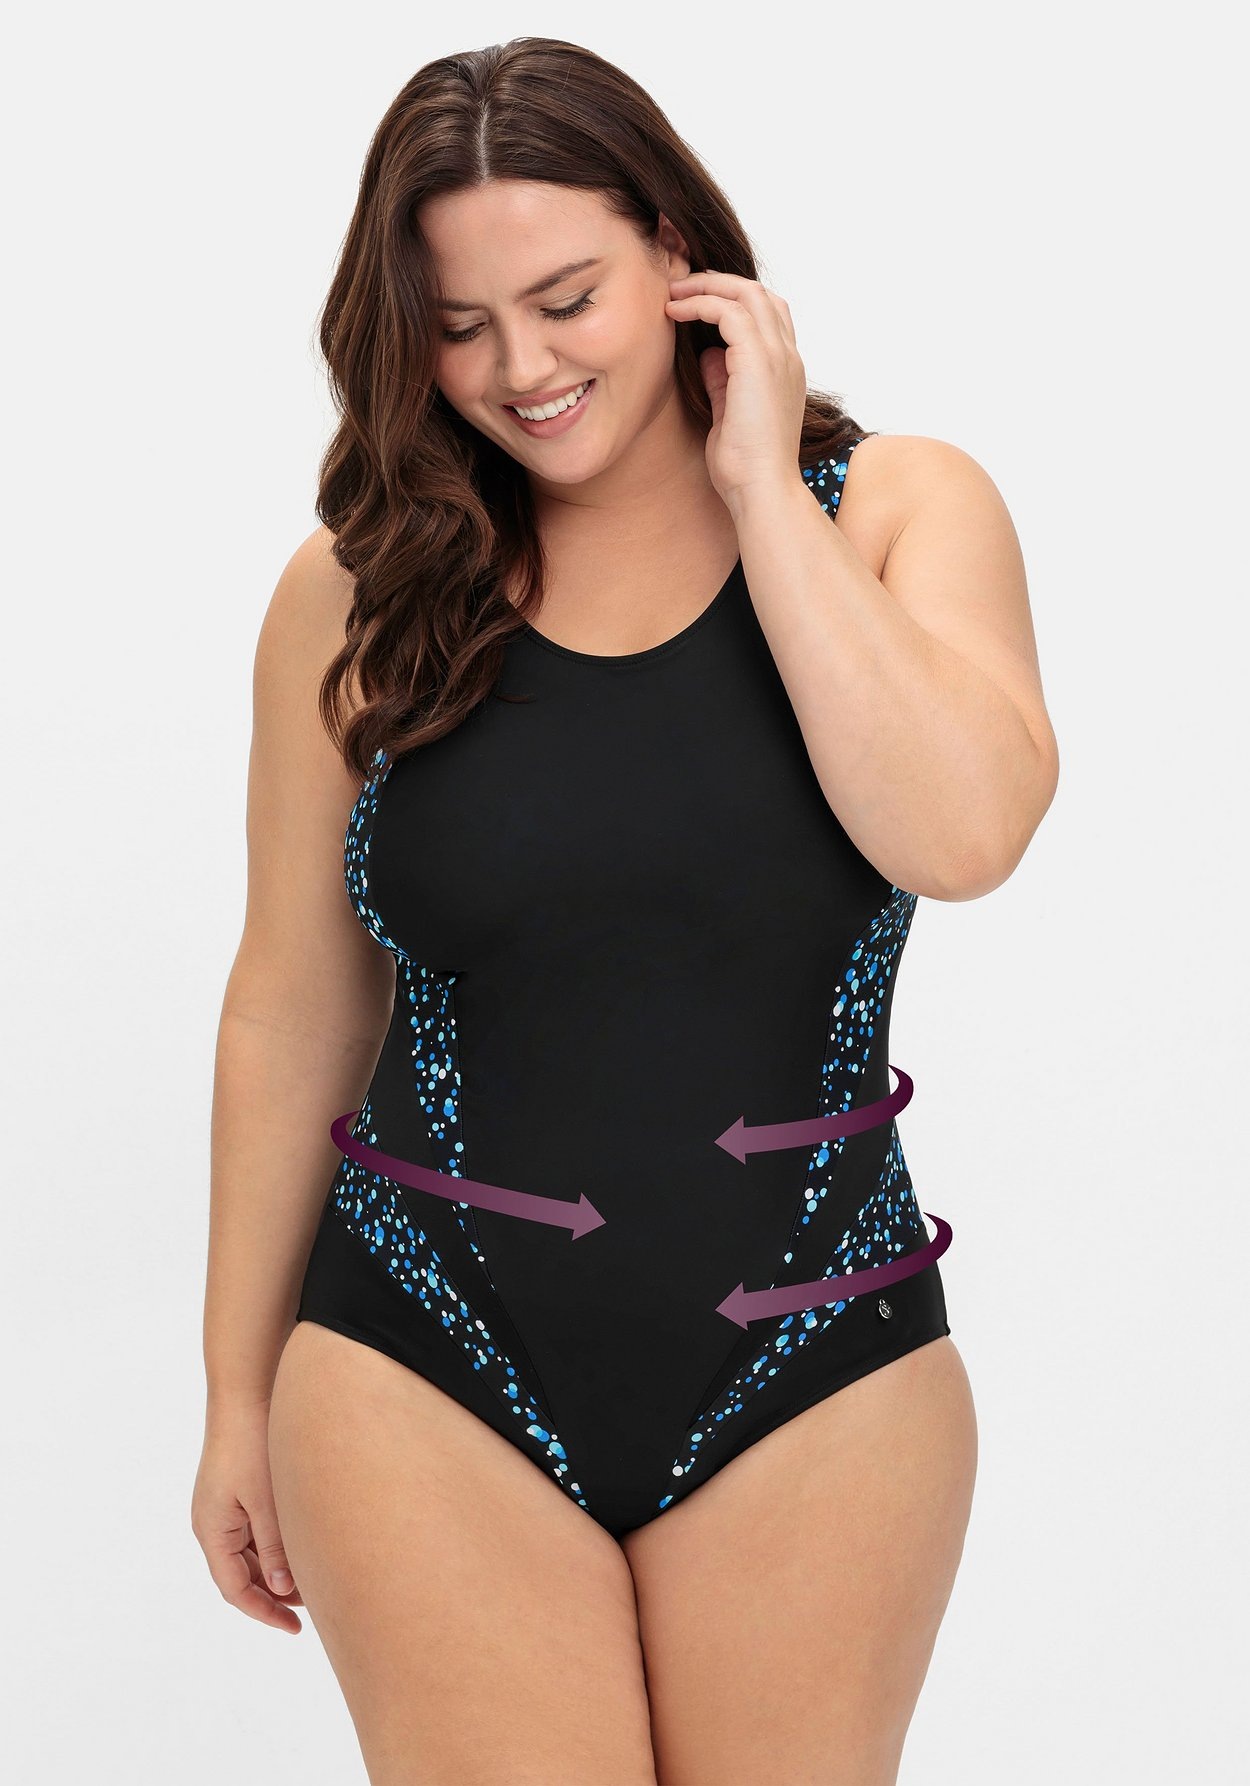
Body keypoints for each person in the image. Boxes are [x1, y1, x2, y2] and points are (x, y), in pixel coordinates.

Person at [192, 36, 1057, 1786]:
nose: (520, 368)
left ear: (676, 251)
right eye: (457, 325)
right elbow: (292, 1006)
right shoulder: (355, 595)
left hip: (816, 1360)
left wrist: (760, 492)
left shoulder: (895, 509)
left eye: (565, 298)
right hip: (417, 1356)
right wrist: (232, 1397)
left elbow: (962, 833)